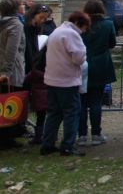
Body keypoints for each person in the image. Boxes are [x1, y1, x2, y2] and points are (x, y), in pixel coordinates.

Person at [40, 11, 89, 157]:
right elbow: (79, 58)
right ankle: (68, 145)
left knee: (55, 112)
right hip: (66, 80)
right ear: (78, 23)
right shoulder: (71, 34)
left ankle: (47, 144)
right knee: (72, 112)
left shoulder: (57, 31)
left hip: (52, 78)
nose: (84, 30)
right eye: (85, 26)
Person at [77, 0, 117, 147]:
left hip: (82, 63)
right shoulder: (107, 23)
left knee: (82, 102)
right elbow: (112, 42)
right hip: (100, 64)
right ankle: (96, 134)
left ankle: (81, 135)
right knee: (96, 101)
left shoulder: (80, 24)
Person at [0, 0, 26, 149]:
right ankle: (6, 139)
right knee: (9, 101)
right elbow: (12, 49)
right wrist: (6, 72)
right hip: (10, 69)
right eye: (21, 4)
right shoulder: (15, 24)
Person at [24, 3, 49, 74]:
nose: (42, 21)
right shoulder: (27, 27)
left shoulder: (35, 27)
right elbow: (28, 49)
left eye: (44, 19)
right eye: (40, 17)